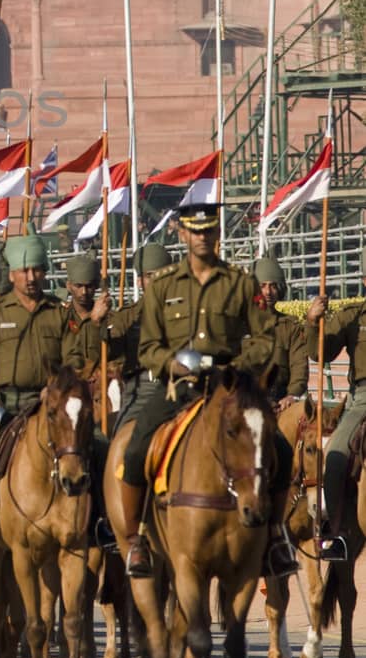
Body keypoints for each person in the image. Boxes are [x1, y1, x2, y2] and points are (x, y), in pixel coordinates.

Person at [120, 202, 293, 580]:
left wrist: (234, 366)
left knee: (280, 448)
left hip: (229, 390)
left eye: (209, 231)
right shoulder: (163, 286)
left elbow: (265, 339)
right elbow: (148, 347)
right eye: (195, 232)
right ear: (181, 234)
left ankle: (276, 535)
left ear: (217, 235)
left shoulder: (240, 283)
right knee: (134, 451)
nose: (202, 238)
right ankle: (138, 539)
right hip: (177, 391)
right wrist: (173, 363)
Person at [0, 234, 85, 555]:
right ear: (11, 274)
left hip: (49, 404)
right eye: (24, 270)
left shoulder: (59, 312)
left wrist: (56, 392)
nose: (30, 277)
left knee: (93, 446)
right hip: (7, 404)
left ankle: (99, 523)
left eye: (37, 270)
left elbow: (75, 360)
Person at [306, 279, 366, 558]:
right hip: (363, 399)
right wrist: (313, 321)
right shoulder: (353, 315)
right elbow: (321, 353)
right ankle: (335, 533)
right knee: (334, 455)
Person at [103, 243, 171, 428]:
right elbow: (108, 353)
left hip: (178, 383)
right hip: (141, 388)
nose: (157, 280)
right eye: (150, 275)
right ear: (140, 281)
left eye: (162, 273)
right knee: (122, 442)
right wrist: (98, 325)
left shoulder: (186, 311)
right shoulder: (127, 317)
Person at [253, 258, 307, 401]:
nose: (268, 292)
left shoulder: (290, 326)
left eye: (273, 286)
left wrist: (292, 395)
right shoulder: (240, 325)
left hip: (279, 397)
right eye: (262, 286)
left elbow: (299, 366)